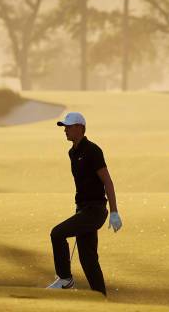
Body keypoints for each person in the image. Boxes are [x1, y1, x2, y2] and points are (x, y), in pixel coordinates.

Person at [47, 112, 122, 296]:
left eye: (69, 126)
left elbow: (107, 181)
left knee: (57, 233)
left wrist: (114, 212)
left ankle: (65, 279)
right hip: (83, 210)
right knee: (88, 259)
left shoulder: (92, 150)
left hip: (95, 211)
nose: (65, 130)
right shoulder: (73, 152)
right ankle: (101, 296)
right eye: (64, 126)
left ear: (80, 128)